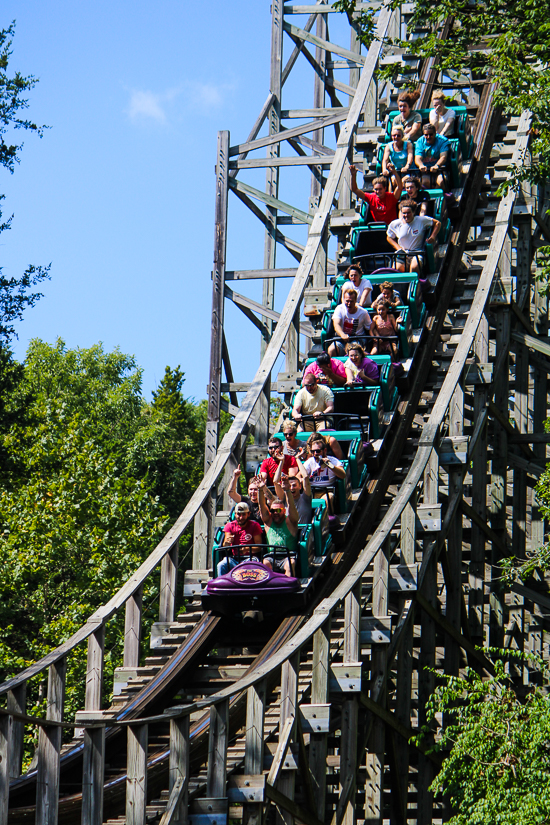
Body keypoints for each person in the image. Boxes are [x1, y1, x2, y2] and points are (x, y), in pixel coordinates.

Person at [292, 375, 344, 459]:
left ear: (316, 382)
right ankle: (299, 456)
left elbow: (330, 407)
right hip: (307, 420)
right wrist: (296, 415)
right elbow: (295, 410)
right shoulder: (301, 393)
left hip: (323, 418)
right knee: (299, 432)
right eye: (306, 386)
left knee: (319, 434)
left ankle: (321, 454)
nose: (309, 388)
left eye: (311, 385)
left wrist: (322, 413)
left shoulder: (325, 390)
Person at [258, 478, 299, 577]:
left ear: (284, 511)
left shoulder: (290, 521)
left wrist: (287, 490)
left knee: (290, 565)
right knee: (264, 564)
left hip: (287, 556)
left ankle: (288, 588)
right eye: (273, 511)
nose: (275, 513)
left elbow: (292, 506)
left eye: (279, 511)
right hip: (271, 557)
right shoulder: (269, 522)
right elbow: (261, 505)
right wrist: (260, 490)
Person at [386, 199, 441, 273]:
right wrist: (399, 249)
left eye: (408, 213)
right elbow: (389, 237)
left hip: (416, 253)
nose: (406, 215)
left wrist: (433, 236)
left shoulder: (421, 220)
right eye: (404, 213)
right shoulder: (395, 224)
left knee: (414, 267)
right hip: (403, 253)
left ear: (413, 212)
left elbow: (437, 223)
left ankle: (417, 282)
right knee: (397, 270)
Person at [218, 501, 263, 577]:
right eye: (239, 514)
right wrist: (227, 543)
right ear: (235, 514)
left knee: (251, 564)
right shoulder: (229, 526)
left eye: (243, 514)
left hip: (249, 558)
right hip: (234, 558)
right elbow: (225, 546)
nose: (241, 517)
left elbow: (259, 547)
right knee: (221, 565)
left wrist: (246, 549)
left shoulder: (255, 525)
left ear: (248, 514)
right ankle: (222, 586)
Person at [303, 435, 346, 512]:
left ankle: (328, 520)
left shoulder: (333, 460)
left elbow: (343, 475)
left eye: (318, 451)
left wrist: (330, 466)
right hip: (311, 492)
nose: (315, 453)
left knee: (327, 499)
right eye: (313, 452)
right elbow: (298, 476)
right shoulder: (310, 462)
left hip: (326, 491)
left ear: (324, 450)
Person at [328, 288, 371, 357]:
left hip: (357, 338)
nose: (349, 304)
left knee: (354, 352)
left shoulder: (363, 312)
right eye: (347, 301)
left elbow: (370, 327)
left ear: (355, 301)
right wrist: (342, 335)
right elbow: (336, 324)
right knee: (331, 350)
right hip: (341, 339)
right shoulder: (339, 308)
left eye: (351, 301)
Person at [273, 454, 313, 524]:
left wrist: (297, 458)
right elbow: (275, 482)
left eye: (294, 485)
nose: (291, 488)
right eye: (289, 485)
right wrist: (282, 461)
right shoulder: (284, 498)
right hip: (289, 532)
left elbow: (305, 477)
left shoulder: (305, 498)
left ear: (300, 486)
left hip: (303, 531)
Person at [414, 123, 450, 190]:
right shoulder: (420, 141)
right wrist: (421, 165)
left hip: (440, 169)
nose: (428, 137)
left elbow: (443, 157)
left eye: (431, 134)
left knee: (441, 181)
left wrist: (437, 165)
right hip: (426, 170)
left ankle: (441, 196)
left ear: (435, 133)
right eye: (426, 135)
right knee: (425, 182)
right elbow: (418, 158)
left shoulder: (443, 141)